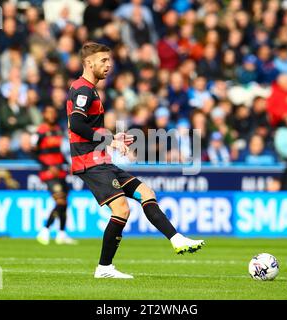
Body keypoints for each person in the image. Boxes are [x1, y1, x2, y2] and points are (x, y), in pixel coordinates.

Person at [67, 42, 204, 279]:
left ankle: (177, 239)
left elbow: (88, 126)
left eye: (109, 61)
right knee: (121, 208)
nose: (108, 65)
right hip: (89, 161)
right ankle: (104, 268)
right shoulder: (82, 89)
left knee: (146, 192)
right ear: (88, 63)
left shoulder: (92, 89)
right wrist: (109, 140)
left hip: (101, 158)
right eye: (103, 61)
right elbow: (76, 124)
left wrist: (111, 136)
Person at [35, 106, 77, 245]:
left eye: (53, 112)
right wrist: (48, 167)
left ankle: (61, 233)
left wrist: (69, 163)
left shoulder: (59, 129)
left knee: (64, 202)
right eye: (49, 112)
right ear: (44, 114)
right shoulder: (40, 131)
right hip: (49, 173)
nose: (52, 115)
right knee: (60, 201)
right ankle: (45, 229)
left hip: (60, 171)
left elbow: (60, 152)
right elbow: (34, 153)